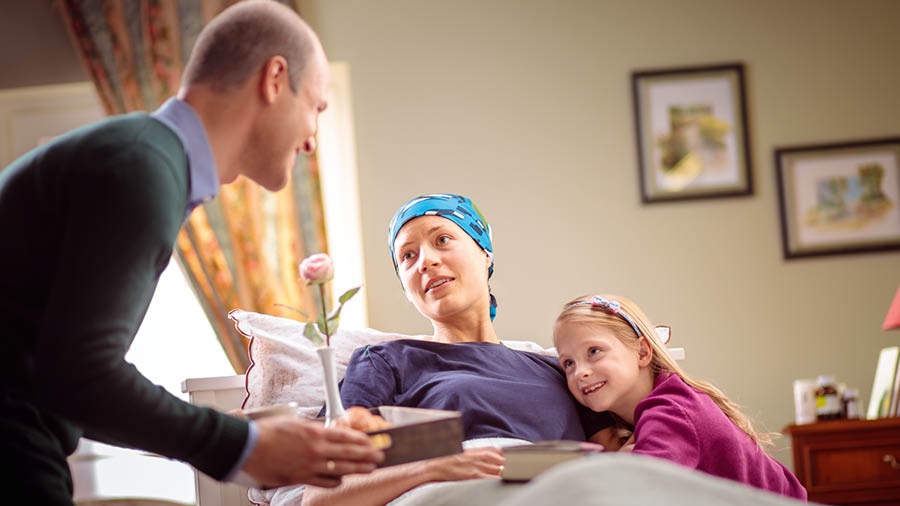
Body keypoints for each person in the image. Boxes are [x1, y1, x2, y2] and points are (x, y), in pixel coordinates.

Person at [0, 1, 383, 503]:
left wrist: (239, 435)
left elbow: (63, 376)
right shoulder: (140, 168)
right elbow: (79, 376)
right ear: (274, 79)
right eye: (316, 107)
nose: (312, 139)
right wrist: (242, 445)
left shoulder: (143, 158)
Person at [301, 193, 610, 506]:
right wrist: (435, 468)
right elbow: (321, 497)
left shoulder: (563, 370)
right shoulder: (383, 362)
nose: (426, 261)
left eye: (443, 240)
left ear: (485, 254)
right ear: (406, 288)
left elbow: (616, 459)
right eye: (407, 256)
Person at [552, 294, 807, 500]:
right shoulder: (662, 401)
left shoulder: (672, 412)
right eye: (568, 363)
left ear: (642, 352)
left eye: (594, 351)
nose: (580, 372)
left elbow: (638, 493)